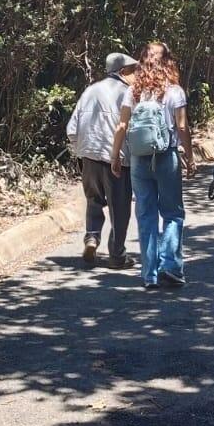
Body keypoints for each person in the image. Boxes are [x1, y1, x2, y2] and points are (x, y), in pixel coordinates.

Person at [110, 42, 196, 291]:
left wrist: (116, 156)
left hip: (138, 159)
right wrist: (189, 156)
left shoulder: (133, 91)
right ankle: (170, 267)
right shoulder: (174, 91)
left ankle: (149, 275)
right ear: (168, 62)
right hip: (166, 157)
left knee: (145, 215)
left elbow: (122, 126)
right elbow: (181, 127)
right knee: (172, 213)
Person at [66, 51, 139, 268]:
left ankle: (91, 237)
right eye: (134, 71)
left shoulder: (90, 90)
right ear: (123, 71)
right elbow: (134, 128)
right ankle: (116, 255)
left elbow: (72, 128)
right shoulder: (129, 93)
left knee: (93, 200)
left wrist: (81, 150)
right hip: (117, 159)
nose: (137, 75)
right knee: (120, 208)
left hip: (89, 157)